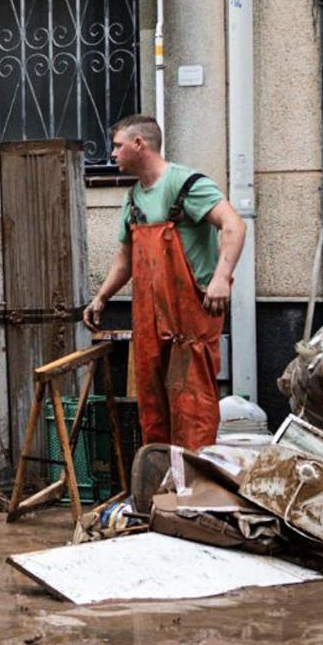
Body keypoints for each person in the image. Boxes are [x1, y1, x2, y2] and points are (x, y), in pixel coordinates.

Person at [83, 115, 247, 452]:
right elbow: (125, 258)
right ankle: (163, 484)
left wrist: (221, 278)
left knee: (192, 405)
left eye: (117, 146)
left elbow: (233, 225)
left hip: (190, 316)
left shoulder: (186, 185)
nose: (112, 154)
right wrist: (101, 297)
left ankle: (194, 487)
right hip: (149, 318)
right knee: (153, 405)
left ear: (139, 144)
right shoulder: (133, 199)